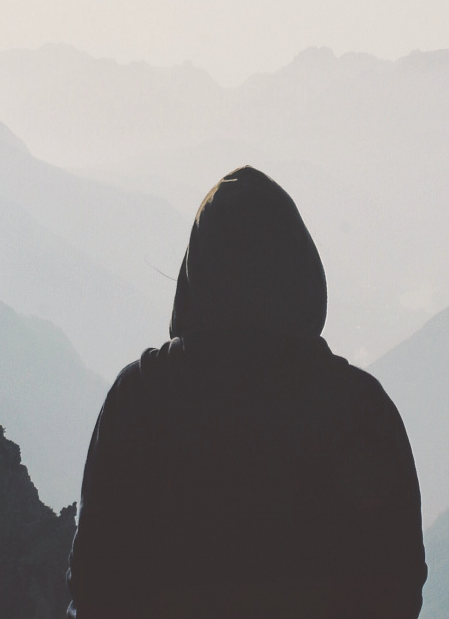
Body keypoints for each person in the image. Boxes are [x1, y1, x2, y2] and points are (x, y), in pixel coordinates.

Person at [66, 166, 427, 619]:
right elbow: (398, 584)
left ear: (197, 274)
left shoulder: (138, 401)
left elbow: (96, 580)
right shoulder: (359, 410)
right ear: (301, 273)